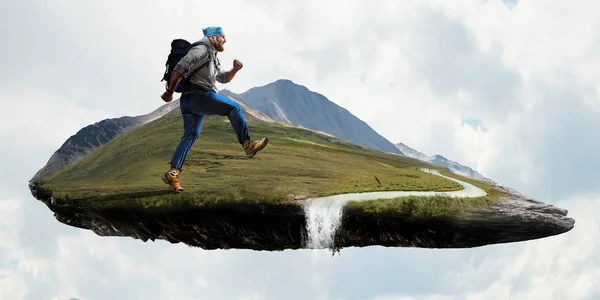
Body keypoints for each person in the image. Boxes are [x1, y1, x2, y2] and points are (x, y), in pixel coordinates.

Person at [159, 26, 269, 192]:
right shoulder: (202, 50)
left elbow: (223, 78)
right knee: (234, 108)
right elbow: (181, 67)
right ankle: (248, 144)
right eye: (221, 36)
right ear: (212, 38)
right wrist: (169, 91)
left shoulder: (212, 56)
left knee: (190, 135)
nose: (224, 40)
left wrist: (235, 70)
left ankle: (172, 174)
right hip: (199, 96)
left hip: (189, 102)